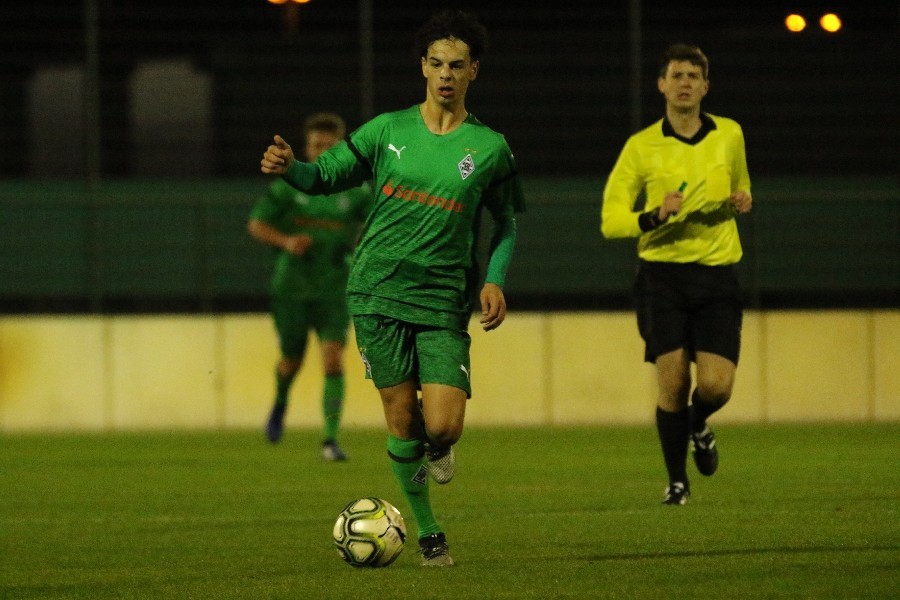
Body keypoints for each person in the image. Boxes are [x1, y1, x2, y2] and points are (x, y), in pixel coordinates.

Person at [260, 10, 524, 566]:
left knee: (444, 425)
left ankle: (437, 448)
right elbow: (323, 176)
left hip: (443, 297)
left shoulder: (491, 148)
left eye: (456, 65)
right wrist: (289, 169)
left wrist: (495, 278)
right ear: (423, 68)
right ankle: (429, 533)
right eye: (435, 64)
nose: (445, 74)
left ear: (473, 70)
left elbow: (507, 222)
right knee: (401, 417)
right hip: (376, 290)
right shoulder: (387, 131)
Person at [601, 43, 752, 506]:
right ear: (662, 85)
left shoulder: (730, 134)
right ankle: (677, 482)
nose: (685, 82)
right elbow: (610, 220)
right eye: (677, 75)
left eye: (694, 75)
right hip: (661, 278)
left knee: (715, 387)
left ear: (705, 86)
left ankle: (699, 423)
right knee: (672, 382)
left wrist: (743, 198)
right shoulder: (641, 146)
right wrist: (654, 215)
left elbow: (741, 184)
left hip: (717, 274)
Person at [248, 112, 371, 461]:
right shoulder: (290, 184)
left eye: (330, 146)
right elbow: (257, 224)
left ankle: (330, 439)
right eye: (317, 145)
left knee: (333, 360)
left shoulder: (357, 190)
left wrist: (364, 243)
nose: (323, 151)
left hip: (334, 286)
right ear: (307, 148)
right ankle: (280, 403)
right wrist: (286, 242)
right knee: (291, 361)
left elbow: (379, 222)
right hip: (293, 287)